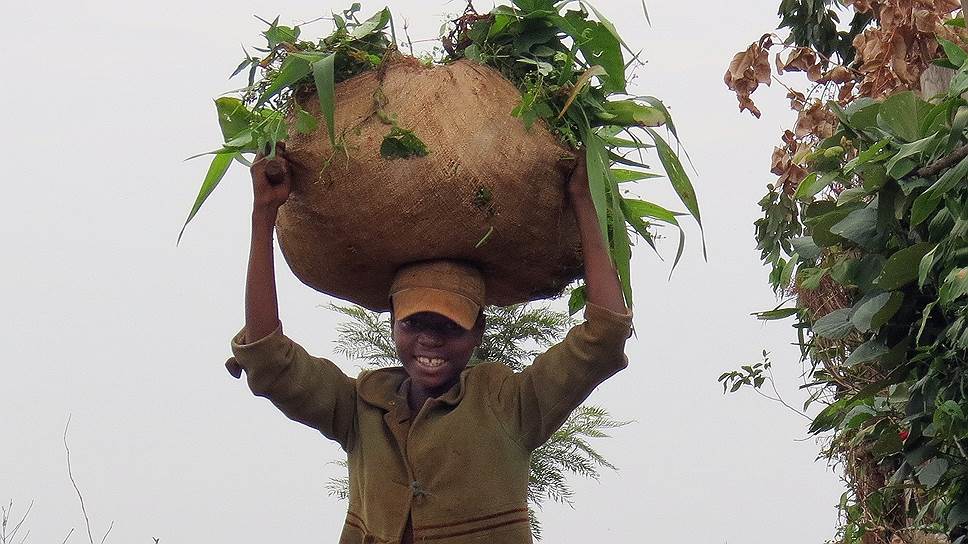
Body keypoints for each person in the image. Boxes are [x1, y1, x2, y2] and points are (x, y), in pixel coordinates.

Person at [226, 145, 632, 543]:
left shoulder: (510, 405)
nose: (430, 339)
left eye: (450, 326)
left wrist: (584, 200)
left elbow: (603, 339)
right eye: (414, 322)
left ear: (478, 331)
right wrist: (263, 214)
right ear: (392, 323)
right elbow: (268, 357)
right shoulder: (358, 409)